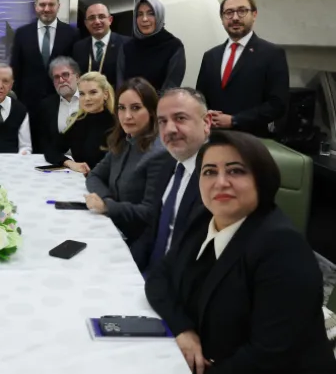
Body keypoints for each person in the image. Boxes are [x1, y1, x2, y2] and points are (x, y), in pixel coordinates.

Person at [145, 131, 336, 373]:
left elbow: (268, 357)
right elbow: (159, 278)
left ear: (262, 178)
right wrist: (183, 329)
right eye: (209, 172)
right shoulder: (204, 218)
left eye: (236, 171)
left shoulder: (282, 248)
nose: (221, 182)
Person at [131, 87, 211, 273]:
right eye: (162, 121)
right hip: (148, 274)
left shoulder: (219, 176)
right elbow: (151, 231)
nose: (169, 129)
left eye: (180, 118)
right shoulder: (167, 163)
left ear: (206, 122)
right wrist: (126, 267)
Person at [196, 0, 288, 137]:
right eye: (229, 12)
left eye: (242, 11)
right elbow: (200, 97)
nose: (235, 17)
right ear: (222, 18)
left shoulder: (272, 54)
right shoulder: (210, 56)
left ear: (254, 14)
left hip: (251, 140)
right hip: (212, 137)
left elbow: (277, 105)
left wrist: (235, 120)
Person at [85, 77, 167, 243]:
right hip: (113, 226)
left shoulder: (159, 153)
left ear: (152, 111)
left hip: (135, 239)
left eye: (136, 108)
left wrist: (107, 206)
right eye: (121, 108)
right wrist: (107, 200)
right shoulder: (123, 141)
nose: (127, 116)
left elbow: (149, 213)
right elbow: (94, 175)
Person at [11, 0, 79, 153]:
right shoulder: (22, 34)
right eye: (42, 4)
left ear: (58, 6)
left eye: (51, 4)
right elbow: (16, 70)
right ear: (35, 6)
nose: (46, 9)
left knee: (57, 151)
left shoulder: (72, 33)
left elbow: (75, 70)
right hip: (29, 104)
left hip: (60, 105)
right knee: (30, 151)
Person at [44, 72, 115, 174]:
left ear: (105, 94)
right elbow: (52, 150)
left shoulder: (117, 124)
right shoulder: (77, 122)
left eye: (93, 92)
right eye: (82, 94)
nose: (87, 98)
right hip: (79, 179)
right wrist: (70, 163)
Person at [117, 0, 185, 93]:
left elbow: (170, 88)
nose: (144, 19)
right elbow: (120, 85)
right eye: (140, 14)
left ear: (159, 16)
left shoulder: (174, 47)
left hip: (161, 102)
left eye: (151, 14)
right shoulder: (126, 47)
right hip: (128, 101)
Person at [72, 3, 130, 89]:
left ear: (110, 20)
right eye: (91, 18)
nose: (97, 21)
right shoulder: (78, 47)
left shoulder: (126, 44)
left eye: (101, 17)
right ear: (86, 23)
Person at [37, 56, 81, 152]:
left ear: (77, 77)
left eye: (65, 75)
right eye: (56, 77)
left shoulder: (89, 101)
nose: (61, 80)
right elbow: (44, 142)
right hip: (57, 159)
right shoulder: (46, 106)